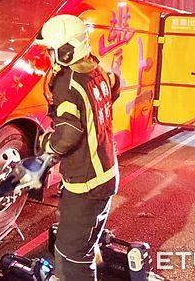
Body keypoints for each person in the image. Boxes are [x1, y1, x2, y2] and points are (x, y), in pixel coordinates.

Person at [34, 14, 120, 281]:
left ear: (66, 49)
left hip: (87, 184)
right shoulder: (97, 70)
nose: (49, 55)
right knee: (83, 246)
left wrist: (45, 143)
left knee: (72, 256)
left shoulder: (68, 82)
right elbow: (115, 87)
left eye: (51, 49)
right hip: (104, 175)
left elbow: (68, 135)